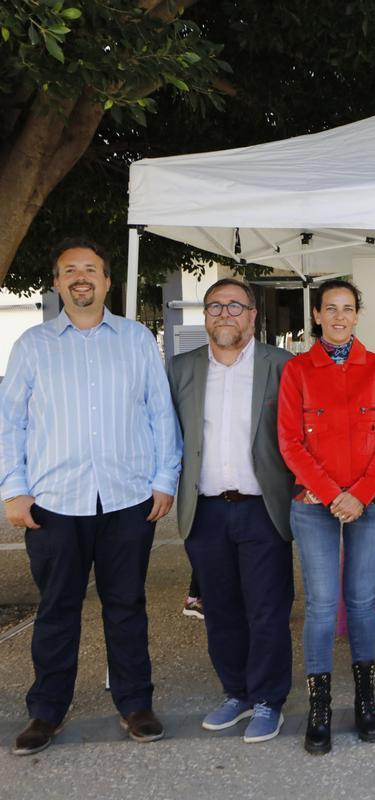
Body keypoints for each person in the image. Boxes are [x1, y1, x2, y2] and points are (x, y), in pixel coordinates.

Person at [1, 238, 181, 755]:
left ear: (107, 281)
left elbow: (159, 412)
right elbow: (9, 423)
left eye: (91, 269)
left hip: (127, 499)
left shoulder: (136, 339)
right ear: (57, 283)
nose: (81, 277)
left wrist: (164, 479)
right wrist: (14, 491)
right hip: (54, 503)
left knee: (126, 605)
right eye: (69, 270)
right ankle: (46, 711)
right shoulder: (33, 345)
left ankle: (134, 703)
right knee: (57, 609)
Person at [167, 277, 296, 744]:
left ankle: (268, 700)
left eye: (235, 306)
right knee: (220, 609)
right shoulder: (181, 369)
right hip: (204, 510)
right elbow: (168, 437)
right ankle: (236, 693)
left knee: (267, 609)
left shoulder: (281, 365)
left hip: (263, 506)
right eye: (215, 306)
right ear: (205, 315)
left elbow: (301, 430)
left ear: (253, 315)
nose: (225, 314)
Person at [277, 279, 375, 755]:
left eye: (347, 309)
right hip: (315, 506)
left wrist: (362, 494)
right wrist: (334, 495)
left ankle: (366, 700)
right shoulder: (297, 370)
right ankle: (320, 706)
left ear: (357, 314)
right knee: (324, 606)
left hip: (370, 503)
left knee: (363, 603)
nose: (338, 317)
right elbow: (290, 441)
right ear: (316, 316)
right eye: (330, 308)